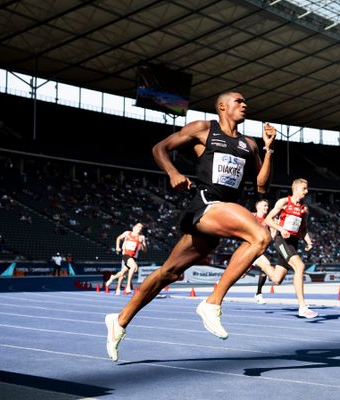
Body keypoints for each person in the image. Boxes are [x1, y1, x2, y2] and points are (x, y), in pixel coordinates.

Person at [105, 91, 276, 362]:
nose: (245, 105)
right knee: (260, 236)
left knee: (168, 274)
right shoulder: (204, 129)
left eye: (246, 101)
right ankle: (212, 303)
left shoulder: (249, 144)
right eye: (238, 101)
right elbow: (159, 148)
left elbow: (262, 186)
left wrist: (268, 148)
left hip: (221, 215)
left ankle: (120, 320)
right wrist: (173, 173)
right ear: (222, 106)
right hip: (205, 205)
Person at [262, 178, 318, 318]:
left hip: (293, 243)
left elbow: (303, 230)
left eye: (306, 188)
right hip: (281, 240)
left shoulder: (304, 209)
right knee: (299, 266)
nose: (307, 191)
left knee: (277, 279)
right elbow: (268, 219)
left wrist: (309, 242)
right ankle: (302, 307)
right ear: (296, 189)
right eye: (304, 188)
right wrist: (281, 228)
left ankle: (262, 263)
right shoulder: (283, 202)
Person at [106, 223, 147, 295]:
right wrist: (117, 247)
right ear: (134, 227)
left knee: (123, 273)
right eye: (139, 227)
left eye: (141, 227)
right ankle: (128, 286)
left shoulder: (142, 237)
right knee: (134, 267)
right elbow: (118, 238)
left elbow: (145, 250)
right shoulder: (127, 233)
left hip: (134, 257)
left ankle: (113, 277)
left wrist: (143, 245)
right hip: (126, 255)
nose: (140, 228)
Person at [250, 199, 276, 304]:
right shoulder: (251, 216)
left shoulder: (268, 221)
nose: (267, 207)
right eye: (264, 205)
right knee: (240, 275)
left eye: (267, 206)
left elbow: (271, 239)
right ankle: (220, 285)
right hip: (248, 249)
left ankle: (258, 294)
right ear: (258, 207)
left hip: (259, 251)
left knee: (266, 266)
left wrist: (275, 230)